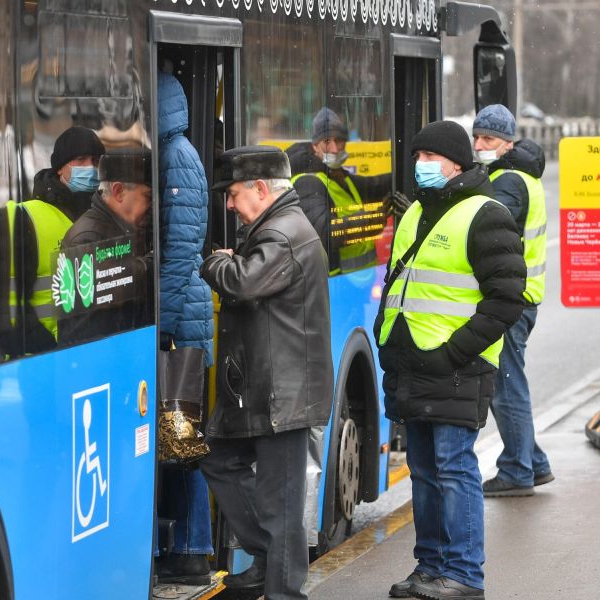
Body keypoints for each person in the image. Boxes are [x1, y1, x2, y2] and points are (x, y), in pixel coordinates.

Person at [375, 121, 525, 600]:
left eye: (430, 157)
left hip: (456, 368)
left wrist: (453, 353)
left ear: (456, 164)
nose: (420, 165)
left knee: (454, 468)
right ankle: (430, 567)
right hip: (412, 366)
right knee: (422, 471)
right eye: (417, 156)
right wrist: (388, 345)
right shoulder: (418, 211)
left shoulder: (487, 213)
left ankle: (462, 575)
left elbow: (506, 300)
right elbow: (400, 286)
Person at [199, 146, 333, 600]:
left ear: (261, 189)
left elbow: (241, 281)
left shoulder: (283, 234)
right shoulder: (276, 228)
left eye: (234, 195)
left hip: (284, 395)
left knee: (281, 505)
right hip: (265, 390)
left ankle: (283, 587)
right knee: (220, 460)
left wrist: (216, 261)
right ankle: (269, 556)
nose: (231, 205)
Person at [152, 72, 216, 584]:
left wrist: (164, 324)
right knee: (176, 437)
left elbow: (180, 253)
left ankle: (194, 549)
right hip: (182, 317)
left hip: (182, 324)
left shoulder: (177, 158)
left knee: (182, 438)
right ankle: (184, 544)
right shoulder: (173, 153)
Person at [472, 104, 553, 497]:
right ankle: (533, 463)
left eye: (488, 138)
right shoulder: (516, 175)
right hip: (522, 297)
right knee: (509, 383)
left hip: (511, 300)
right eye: (477, 137)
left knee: (506, 387)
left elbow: (487, 224)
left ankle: (517, 470)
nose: (479, 144)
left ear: (506, 142)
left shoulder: (509, 181)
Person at [0, 126, 105, 357]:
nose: (90, 168)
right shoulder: (22, 218)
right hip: (40, 362)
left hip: (92, 356)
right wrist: (50, 350)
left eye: (96, 161)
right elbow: (2, 310)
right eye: (80, 159)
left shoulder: (104, 216)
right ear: (60, 168)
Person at [56, 148, 153, 346]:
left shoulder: (126, 229)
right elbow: (82, 329)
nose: (152, 206)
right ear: (118, 192)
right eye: (147, 197)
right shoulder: (86, 239)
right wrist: (148, 267)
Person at [286, 107, 392, 273]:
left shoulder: (341, 177)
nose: (335, 149)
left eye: (340, 141)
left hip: (360, 279)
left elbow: (377, 185)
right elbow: (323, 233)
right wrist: (370, 222)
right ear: (315, 146)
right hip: (336, 282)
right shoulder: (308, 181)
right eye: (327, 142)